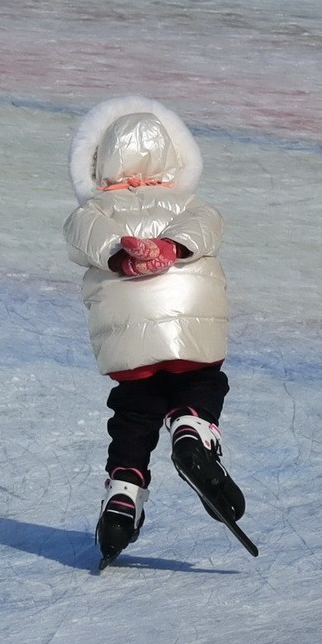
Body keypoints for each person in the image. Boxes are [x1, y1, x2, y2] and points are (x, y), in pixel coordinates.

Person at [62, 95, 245, 564]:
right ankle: (191, 426)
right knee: (202, 379)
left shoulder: (94, 210)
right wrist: (170, 248)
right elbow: (209, 226)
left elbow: (83, 236)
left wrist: (124, 257)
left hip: (129, 335)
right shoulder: (189, 202)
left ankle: (125, 489)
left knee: (135, 412)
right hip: (189, 320)